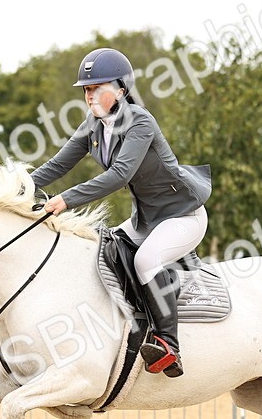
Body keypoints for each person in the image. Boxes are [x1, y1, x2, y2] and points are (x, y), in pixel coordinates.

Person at [30, 48, 212, 378]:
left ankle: (169, 343)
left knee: (144, 261)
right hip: (147, 219)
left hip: (183, 215)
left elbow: (119, 175)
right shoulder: (93, 125)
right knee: (105, 251)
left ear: (121, 90)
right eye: (87, 89)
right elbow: (58, 164)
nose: (90, 96)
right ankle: (130, 325)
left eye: (98, 88)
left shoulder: (140, 121)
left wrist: (65, 200)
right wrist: (18, 187)